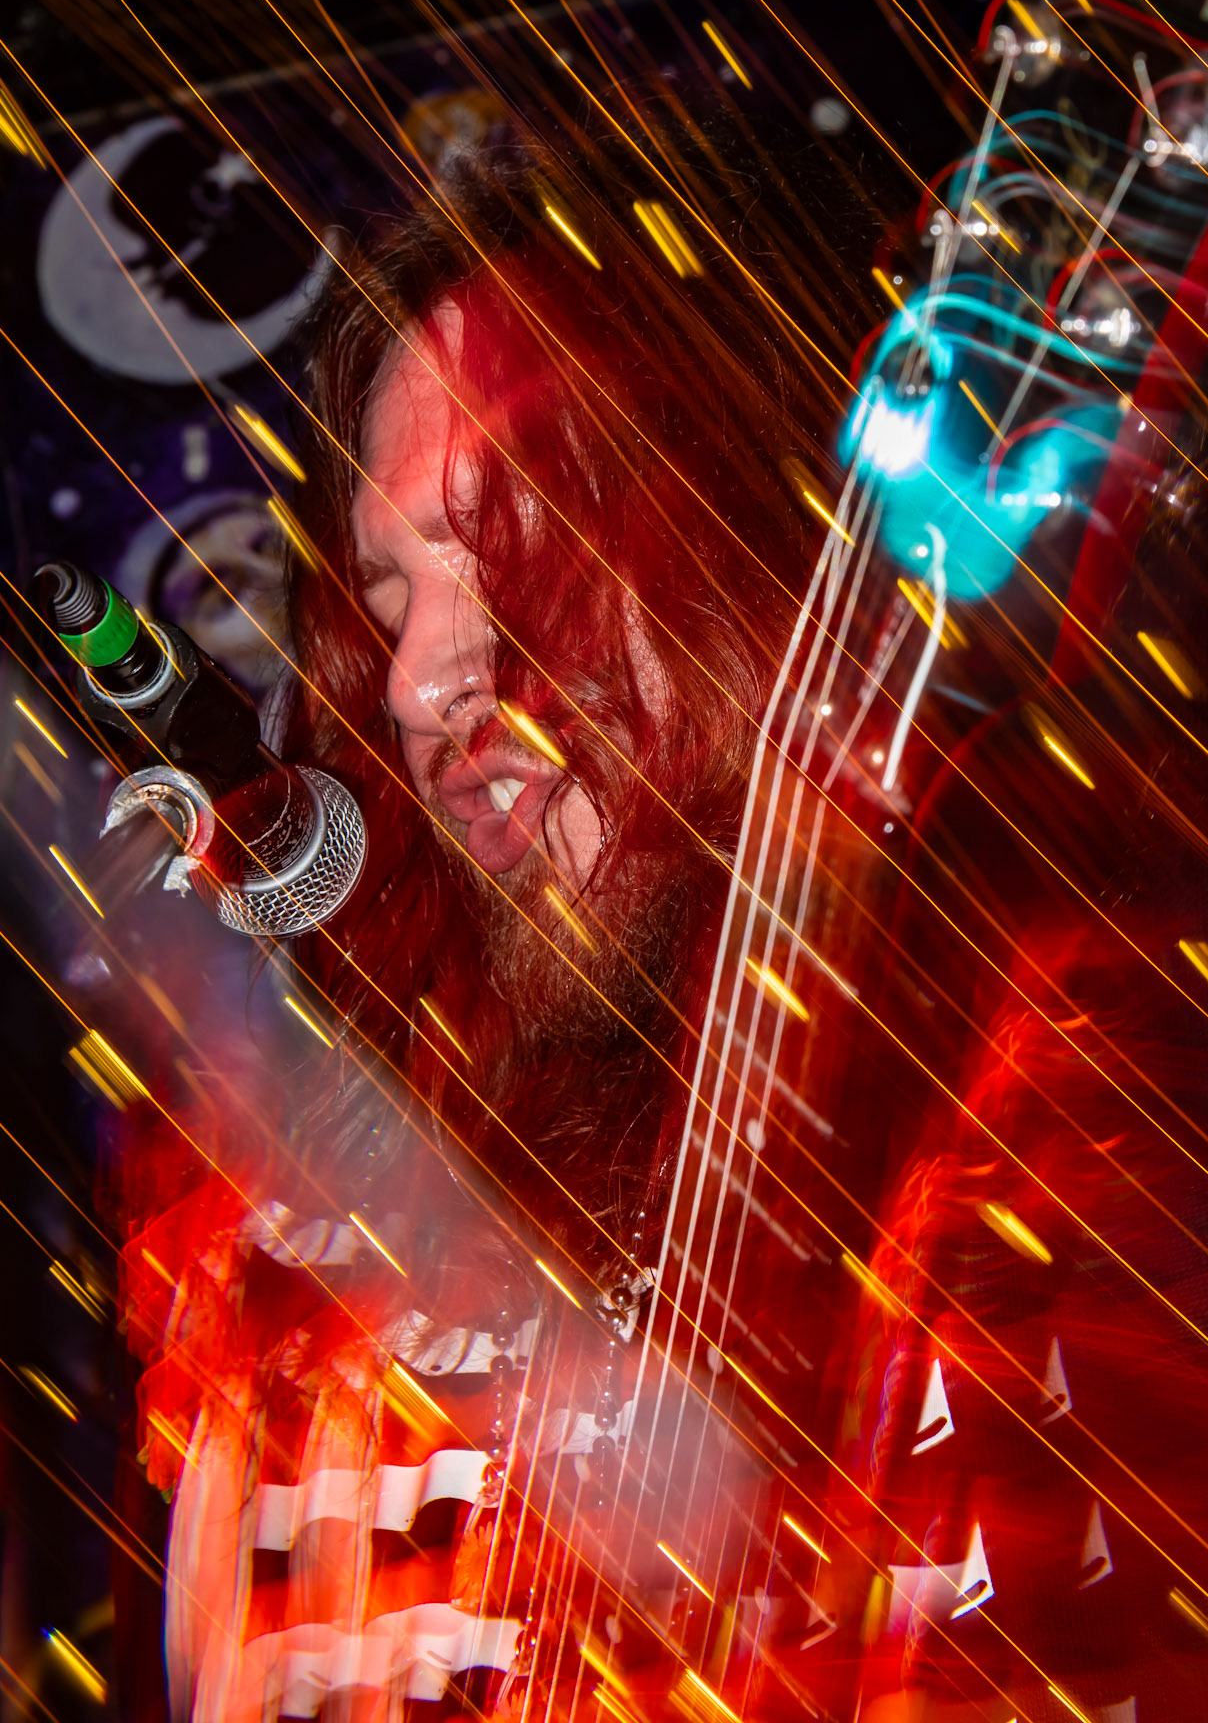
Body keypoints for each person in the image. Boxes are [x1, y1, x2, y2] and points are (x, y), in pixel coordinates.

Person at [115, 151, 831, 1719]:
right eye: (391, 597)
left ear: (733, 561)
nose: (419, 677)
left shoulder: (995, 1157)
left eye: (509, 547)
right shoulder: (296, 1298)